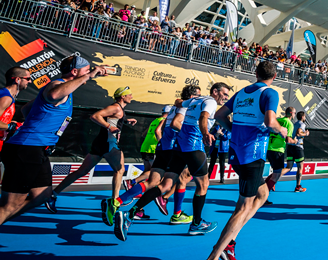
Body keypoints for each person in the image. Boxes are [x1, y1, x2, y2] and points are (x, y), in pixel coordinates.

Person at [114, 82, 231, 240]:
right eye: (224, 94)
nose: (226, 98)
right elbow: (204, 117)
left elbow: (178, 102)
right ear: (215, 91)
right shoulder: (209, 101)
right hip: (193, 146)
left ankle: (129, 215)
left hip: (179, 147)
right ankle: (196, 223)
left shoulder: (195, 100)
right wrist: (205, 132)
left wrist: (185, 105)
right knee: (203, 185)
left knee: (165, 185)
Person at [0, 56, 108, 225]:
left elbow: (27, 108)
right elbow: (55, 93)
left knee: (41, 196)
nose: (90, 73)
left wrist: (38, 126)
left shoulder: (66, 91)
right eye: (86, 70)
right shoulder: (56, 86)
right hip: (27, 148)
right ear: (75, 72)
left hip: (37, 148)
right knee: (10, 205)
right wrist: (88, 76)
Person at [207, 61, 286, 260]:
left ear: (256, 73)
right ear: (274, 76)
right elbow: (270, 122)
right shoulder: (270, 93)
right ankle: (215, 254)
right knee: (242, 207)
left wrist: (234, 129)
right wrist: (281, 129)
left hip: (237, 152)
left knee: (262, 193)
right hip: (252, 155)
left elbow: (219, 115)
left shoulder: (242, 92)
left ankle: (229, 243)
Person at [110, 85, 199, 228]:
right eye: (198, 95)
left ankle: (118, 203)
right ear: (192, 96)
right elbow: (172, 125)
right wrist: (192, 136)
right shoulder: (186, 108)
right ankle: (174, 212)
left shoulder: (175, 108)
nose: (200, 98)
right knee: (180, 179)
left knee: (155, 180)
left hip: (163, 147)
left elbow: (161, 128)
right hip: (175, 148)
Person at [46, 87, 137, 221]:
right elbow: (95, 116)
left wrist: (126, 121)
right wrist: (109, 127)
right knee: (119, 170)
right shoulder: (116, 108)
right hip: (108, 144)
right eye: (129, 94)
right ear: (122, 97)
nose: (131, 96)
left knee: (81, 172)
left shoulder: (119, 110)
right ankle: (114, 203)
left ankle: (53, 194)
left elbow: (113, 120)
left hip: (100, 143)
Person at [0, 67, 30, 186]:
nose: (30, 81)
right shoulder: (6, 97)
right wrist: (11, 127)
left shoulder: (7, 95)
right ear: (18, 79)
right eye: (28, 78)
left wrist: (12, 123)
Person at [264, 106, 296, 198]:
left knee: (275, 173)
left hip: (269, 148)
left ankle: (262, 193)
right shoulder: (289, 123)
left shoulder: (278, 120)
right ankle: (262, 196)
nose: (294, 115)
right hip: (277, 149)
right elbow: (288, 140)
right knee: (277, 175)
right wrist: (295, 141)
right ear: (290, 113)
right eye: (294, 113)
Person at [286, 110, 309, 192]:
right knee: (300, 168)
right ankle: (298, 186)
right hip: (298, 148)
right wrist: (305, 134)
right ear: (302, 117)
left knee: (288, 168)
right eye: (305, 116)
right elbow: (298, 133)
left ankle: (272, 181)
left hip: (290, 147)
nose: (305, 118)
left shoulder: (294, 124)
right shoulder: (302, 124)